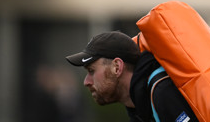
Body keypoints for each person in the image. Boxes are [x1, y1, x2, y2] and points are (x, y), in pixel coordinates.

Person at [66, 31, 199, 122]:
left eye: (91, 71)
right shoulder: (138, 106)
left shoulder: (162, 91)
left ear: (117, 67)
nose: (86, 82)